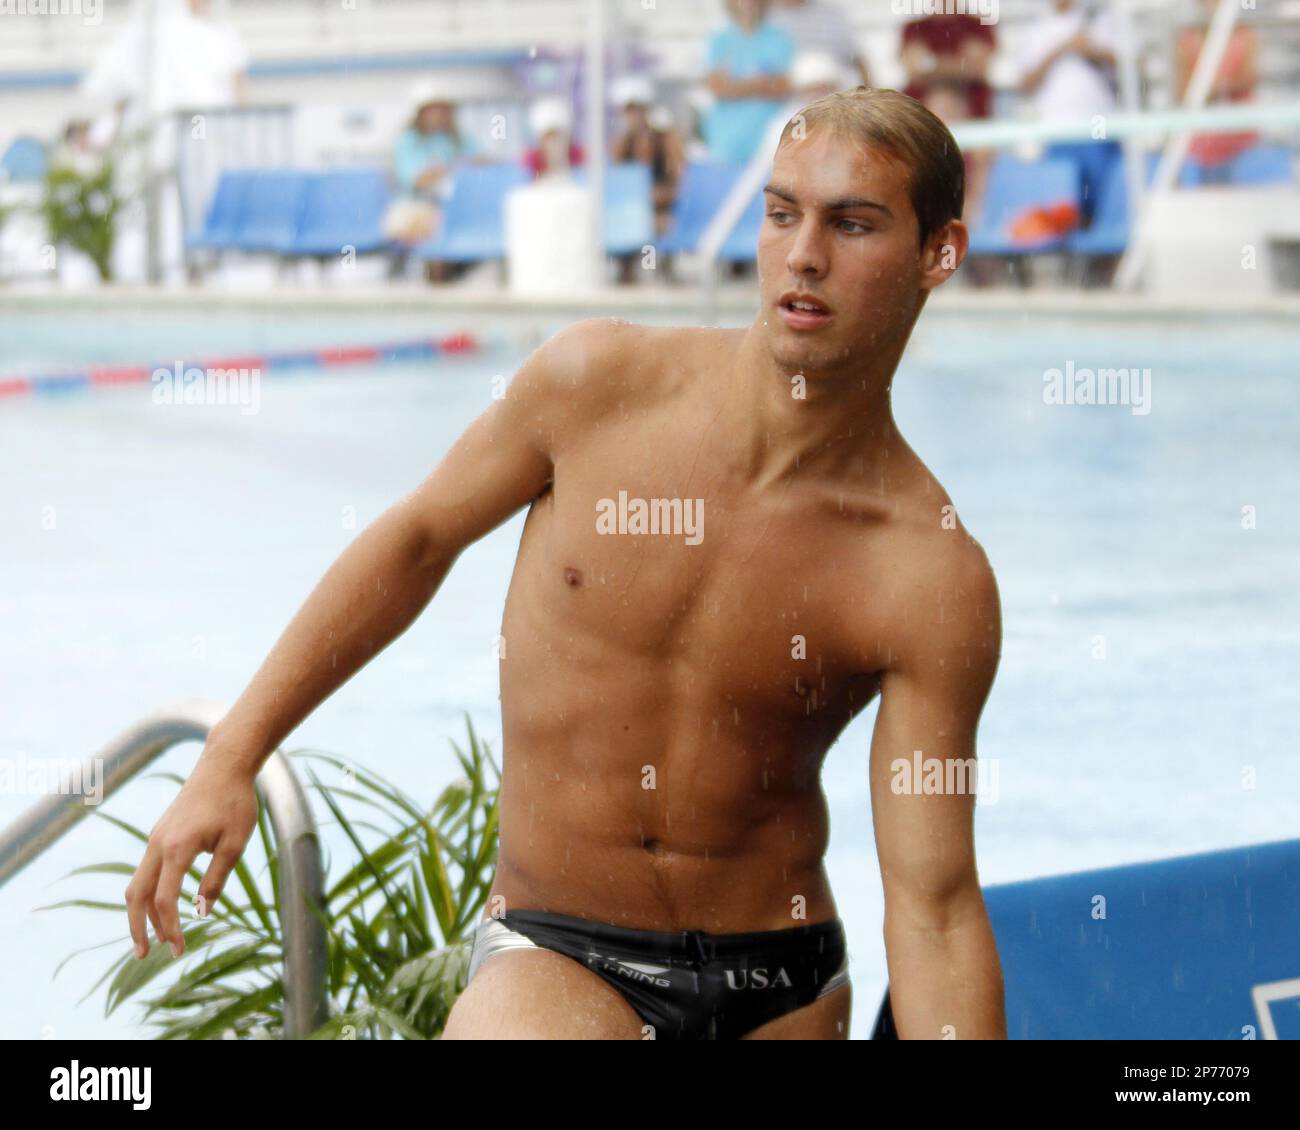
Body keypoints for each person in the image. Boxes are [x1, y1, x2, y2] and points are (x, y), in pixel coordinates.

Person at [124, 86, 1006, 1043]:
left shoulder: (929, 572)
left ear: (939, 254)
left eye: (853, 224)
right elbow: (416, 541)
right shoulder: (599, 386)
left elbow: (935, 904)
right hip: (561, 954)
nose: (803, 255)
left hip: (782, 983)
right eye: (782, 212)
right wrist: (234, 752)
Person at [1019, 0, 1121, 228]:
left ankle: (1104, 257)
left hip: (1099, 126)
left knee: (1103, 206)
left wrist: (1090, 50)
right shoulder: (1037, 28)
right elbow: (1025, 83)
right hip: (1056, 129)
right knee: (1063, 209)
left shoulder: (1100, 17)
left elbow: (1127, 67)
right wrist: (1061, 49)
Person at [384, 79, 481, 278]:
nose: (439, 115)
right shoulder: (409, 141)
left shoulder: (460, 139)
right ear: (420, 112)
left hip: (461, 208)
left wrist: (451, 168)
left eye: (443, 109)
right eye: (433, 109)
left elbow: (481, 161)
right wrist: (451, 168)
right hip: (420, 207)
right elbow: (416, 179)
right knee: (432, 236)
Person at [609, 75, 686, 284]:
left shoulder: (667, 140)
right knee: (627, 221)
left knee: (657, 223)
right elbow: (616, 186)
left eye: (639, 109)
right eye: (630, 110)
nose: (635, 116)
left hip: (662, 207)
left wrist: (660, 195)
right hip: (633, 209)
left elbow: (680, 182)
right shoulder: (620, 144)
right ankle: (628, 273)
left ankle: (657, 270)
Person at [1175, 0, 1259, 184]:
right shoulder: (1186, 38)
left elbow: (1248, 79)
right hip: (1201, 134)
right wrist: (1222, 87)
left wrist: (1211, 88)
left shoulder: (1245, 34)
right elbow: (1183, 91)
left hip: (1239, 130)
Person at [703, 0, 796, 163]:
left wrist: (734, 86)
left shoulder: (780, 38)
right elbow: (717, 88)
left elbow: (782, 88)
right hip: (726, 137)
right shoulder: (719, 40)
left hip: (768, 135)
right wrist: (762, 83)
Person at [770, 0, 870, 88]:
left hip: (841, 94)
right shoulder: (768, 18)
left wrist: (868, 95)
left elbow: (858, 59)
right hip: (794, 99)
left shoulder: (832, 13)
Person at [523, 97, 584, 178]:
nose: (555, 144)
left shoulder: (582, 182)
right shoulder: (527, 189)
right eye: (549, 137)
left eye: (559, 136)